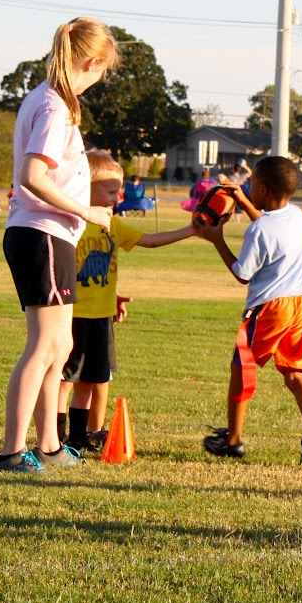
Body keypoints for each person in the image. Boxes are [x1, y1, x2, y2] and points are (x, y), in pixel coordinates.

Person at [0, 17, 120, 472]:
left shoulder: (53, 101)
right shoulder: (54, 107)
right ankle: (10, 451)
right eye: (103, 70)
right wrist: (85, 211)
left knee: (61, 344)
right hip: (40, 233)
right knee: (45, 345)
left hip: (51, 236)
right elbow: (33, 176)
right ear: (93, 61)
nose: (100, 79)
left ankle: (49, 444)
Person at [191, 156, 302, 464]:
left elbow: (243, 273)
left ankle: (233, 440)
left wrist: (217, 239)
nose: (248, 187)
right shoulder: (296, 215)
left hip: (272, 308)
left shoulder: (259, 230)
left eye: (252, 184)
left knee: (240, 370)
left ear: (264, 190)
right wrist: (243, 201)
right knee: (294, 375)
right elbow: (270, 229)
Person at [58, 150, 196, 453]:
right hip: (72, 315)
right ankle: (54, 438)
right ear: (86, 187)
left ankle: (78, 439)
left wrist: (191, 230)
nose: (116, 196)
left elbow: (148, 240)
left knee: (88, 380)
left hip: (101, 316)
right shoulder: (71, 223)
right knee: (65, 379)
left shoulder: (114, 224)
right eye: (109, 190)